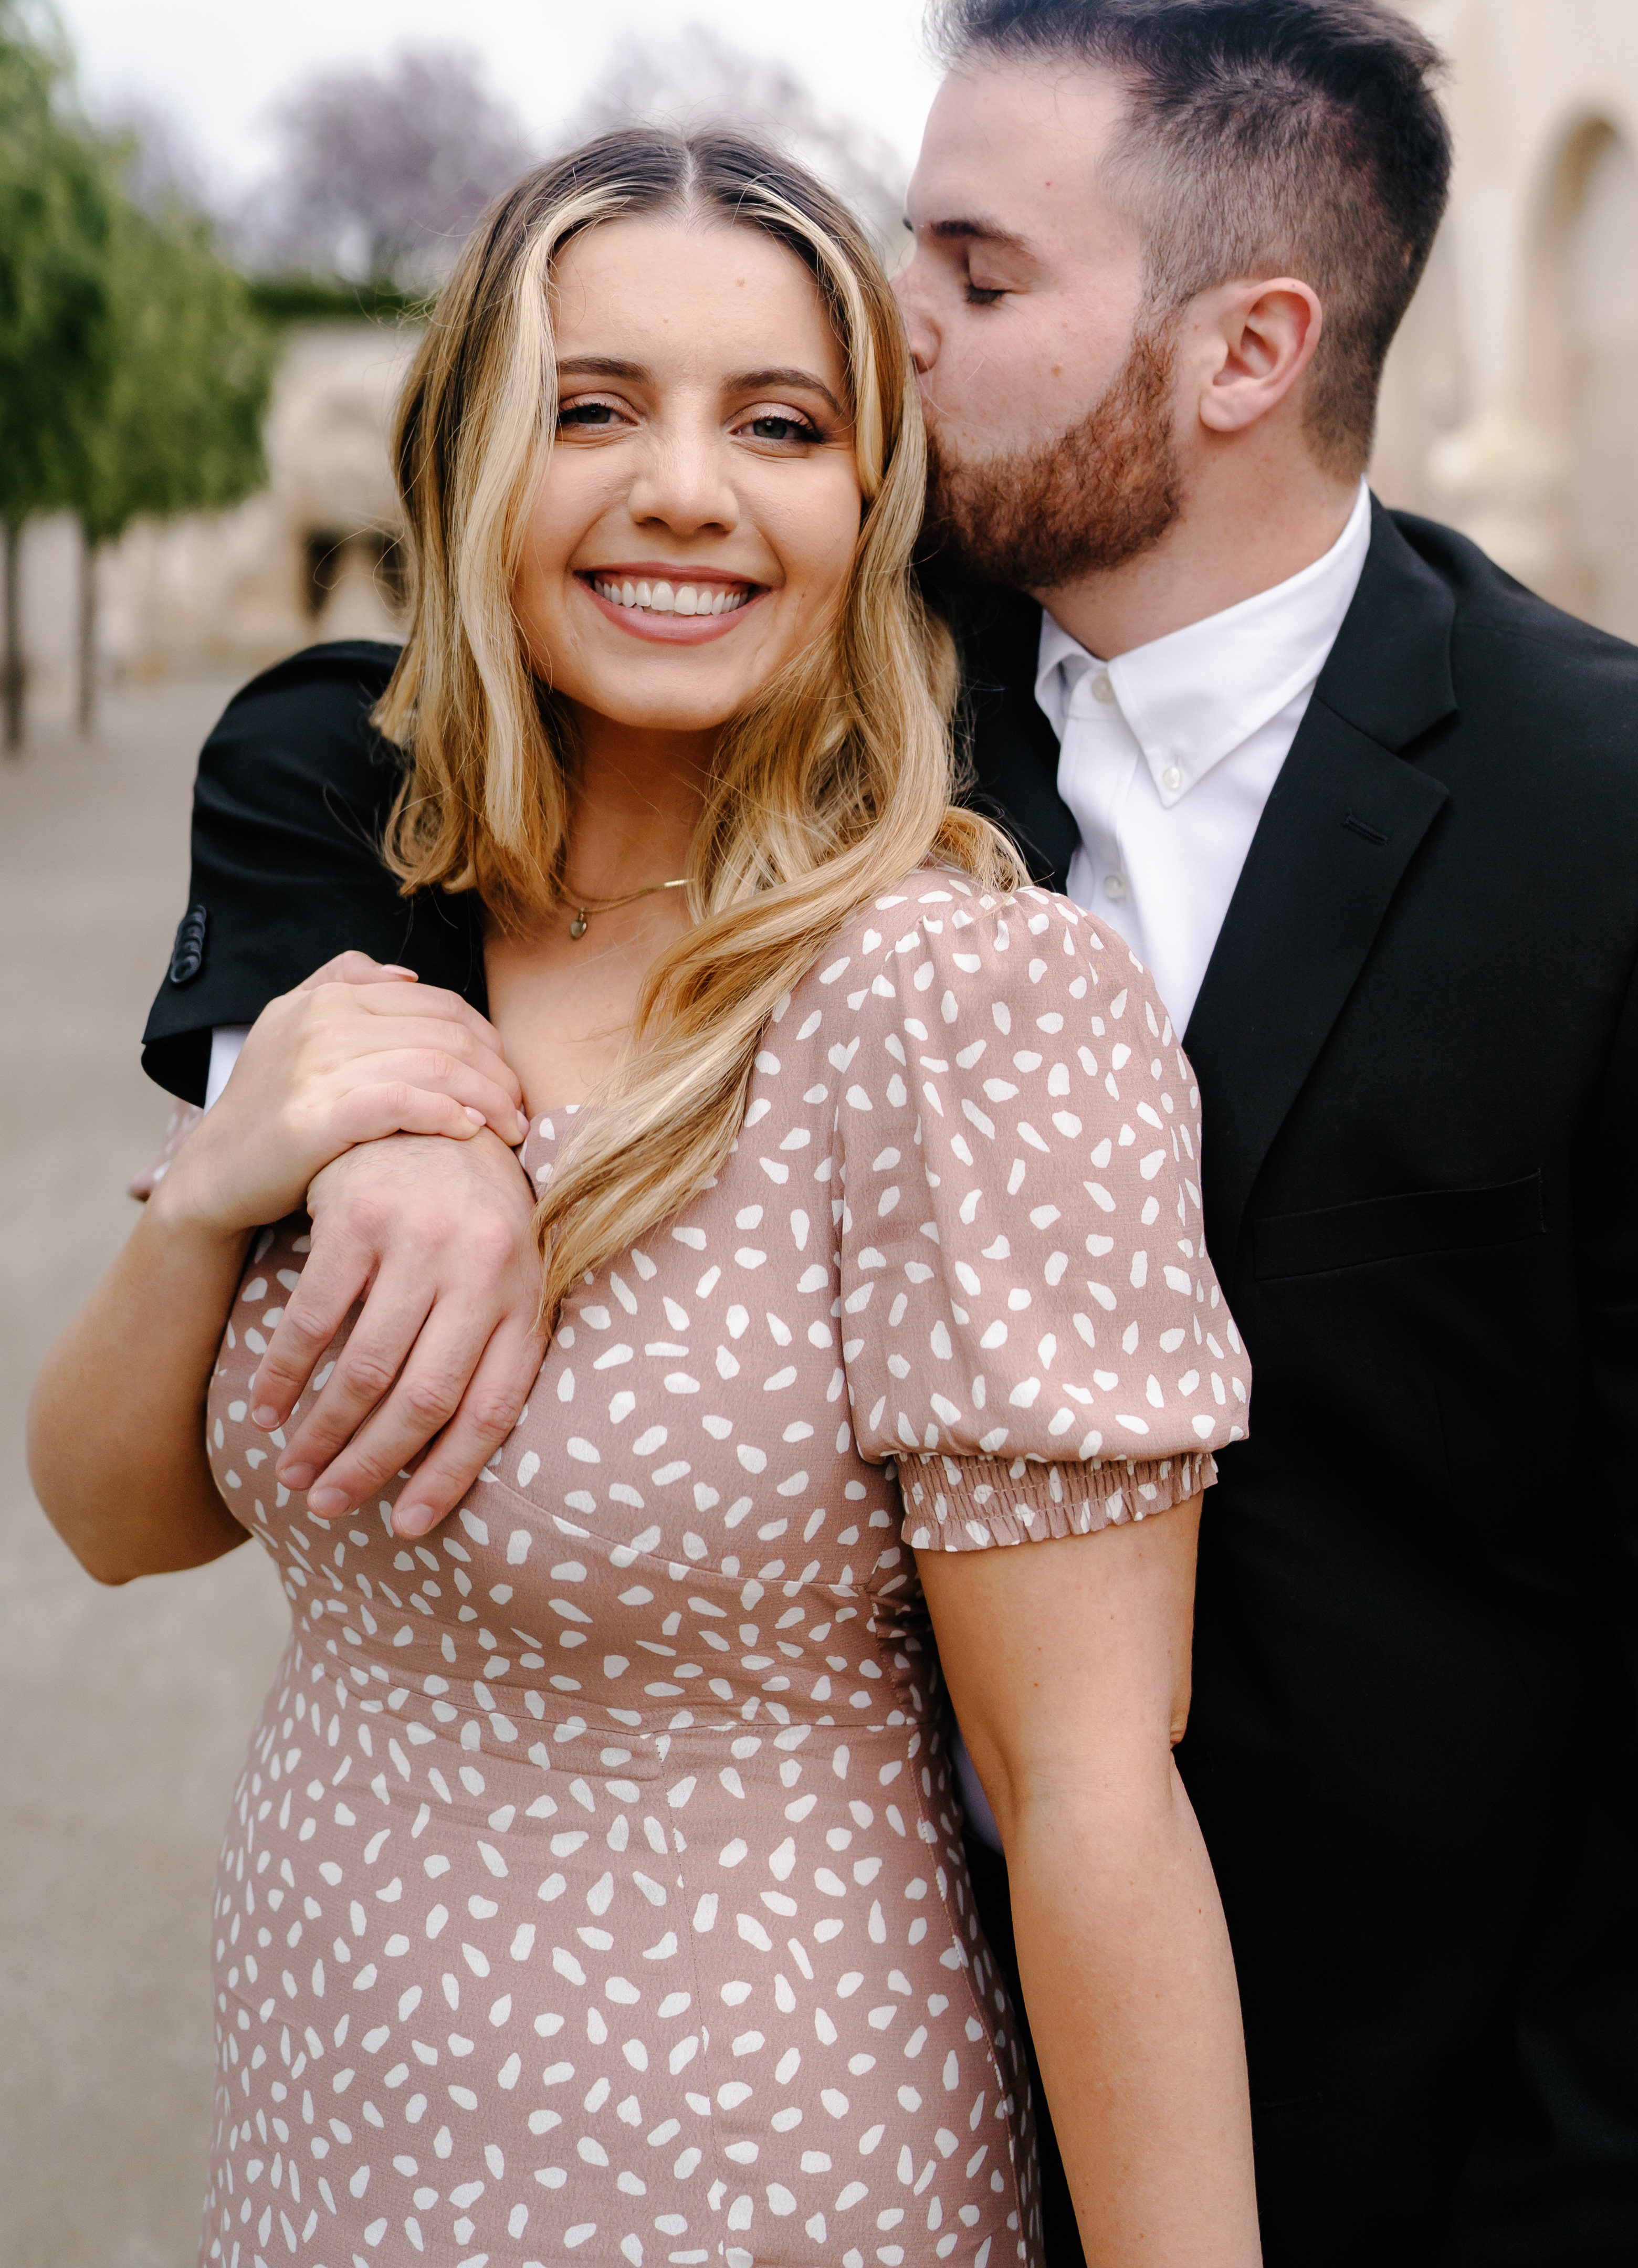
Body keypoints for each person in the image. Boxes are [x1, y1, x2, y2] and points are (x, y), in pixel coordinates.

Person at [131, 0, 1638, 2266]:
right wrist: (388, 1098)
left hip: (1467, 2140)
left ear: (1242, 354)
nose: (892, 332)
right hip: (868, 2104)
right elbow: (350, 726)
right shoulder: (855, 702)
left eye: (976, 280)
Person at [33, 125, 1262, 2268]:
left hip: (747, 2163)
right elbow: (120, 1519)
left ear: (866, 502)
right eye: (589, 408)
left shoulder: (966, 1004)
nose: (683, 488)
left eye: (778, 425)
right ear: (463, 467)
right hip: (332, 2133)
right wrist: (213, 1181)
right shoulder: (375, 942)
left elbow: (1086, 1794)